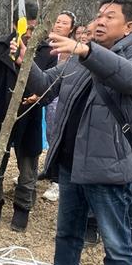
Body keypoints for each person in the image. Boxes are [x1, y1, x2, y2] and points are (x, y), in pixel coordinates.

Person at [26, 0, 132, 265]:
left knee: (116, 243)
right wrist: (25, 59)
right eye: (98, 15)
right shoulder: (76, 57)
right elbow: (46, 86)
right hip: (72, 163)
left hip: (109, 168)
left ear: (129, 26)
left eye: (109, 16)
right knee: (68, 228)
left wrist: (86, 51)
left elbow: (130, 78)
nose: (100, 21)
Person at [0, 1, 56, 232]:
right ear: (16, 25)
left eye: (35, 28)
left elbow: (50, 87)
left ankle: (22, 207)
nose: (31, 33)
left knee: (28, 165)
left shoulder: (45, 51)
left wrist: (38, 96)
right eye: (27, 28)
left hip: (29, 117)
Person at [41, 11, 78, 203]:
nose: (58, 25)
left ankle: (58, 180)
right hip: (46, 95)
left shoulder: (75, 50)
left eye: (64, 23)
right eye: (57, 21)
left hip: (63, 97)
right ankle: (49, 169)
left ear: (71, 28)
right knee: (49, 134)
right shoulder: (45, 46)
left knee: (59, 136)